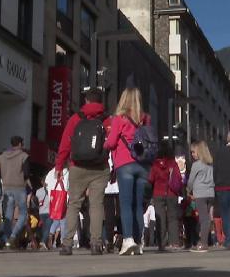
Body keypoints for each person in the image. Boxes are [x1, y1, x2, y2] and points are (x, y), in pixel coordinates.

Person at [53, 89, 110, 256]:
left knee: (74, 204)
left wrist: (59, 166)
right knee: (96, 205)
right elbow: (111, 143)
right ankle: (96, 244)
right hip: (100, 167)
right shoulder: (107, 119)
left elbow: (65, 144)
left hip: (77, 167)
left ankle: (67, 244)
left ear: (86, 101)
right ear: (100, 102)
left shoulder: (75, 118)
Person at [105, 87, 152, 256]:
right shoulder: (146, 119)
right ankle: (139, 242)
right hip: (142, 165)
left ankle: (128, 239)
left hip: (125, 164)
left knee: (125, 204)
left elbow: (111, 143)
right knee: (138, 205)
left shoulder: (119, 119)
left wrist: (104, 146)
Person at [0, 136, 30, 249]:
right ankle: (13, 236)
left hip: (6, 188)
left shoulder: (1, 157)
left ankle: (6, 238)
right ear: (20, 144)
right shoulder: (24, 156)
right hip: (19, 188)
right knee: (23, 214)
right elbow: (26, 173)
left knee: (8, 216)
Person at [148, 146, 182, 252]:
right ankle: (174, 242)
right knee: (173, 218)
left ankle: (161, 244)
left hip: (158, 193)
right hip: (171, 193)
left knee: (160, 219)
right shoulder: (173, 164)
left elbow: (151, 179)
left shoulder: (155, 164)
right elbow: (179, 178)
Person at [188, 140, 215, 253]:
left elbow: (191, 181)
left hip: (200, 194)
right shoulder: (210, 164)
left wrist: (189, 190)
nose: (192, 154)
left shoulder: (196, 165)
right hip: (210, 193)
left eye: (193, 152)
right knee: (206, 218)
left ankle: (203, 243)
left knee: (204, 219)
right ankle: (202, 241)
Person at [44, 165, 69, 249]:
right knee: (63, 220)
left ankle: (50, 235)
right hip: (63, 197)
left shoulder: (50, 172)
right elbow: (68, 186)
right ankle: (63, 241)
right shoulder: (66, 172)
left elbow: (46, 183)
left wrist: (50, 193)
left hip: (53, 198)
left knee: (56, 219)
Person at [34, 178, 52, 250]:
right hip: (49, 212)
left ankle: (43, 243)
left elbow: (36, 201)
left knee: (44, 229)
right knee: (47, 229)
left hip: (41, 212)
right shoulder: (51, 189)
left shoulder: (38, 191)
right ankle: (43, 242)